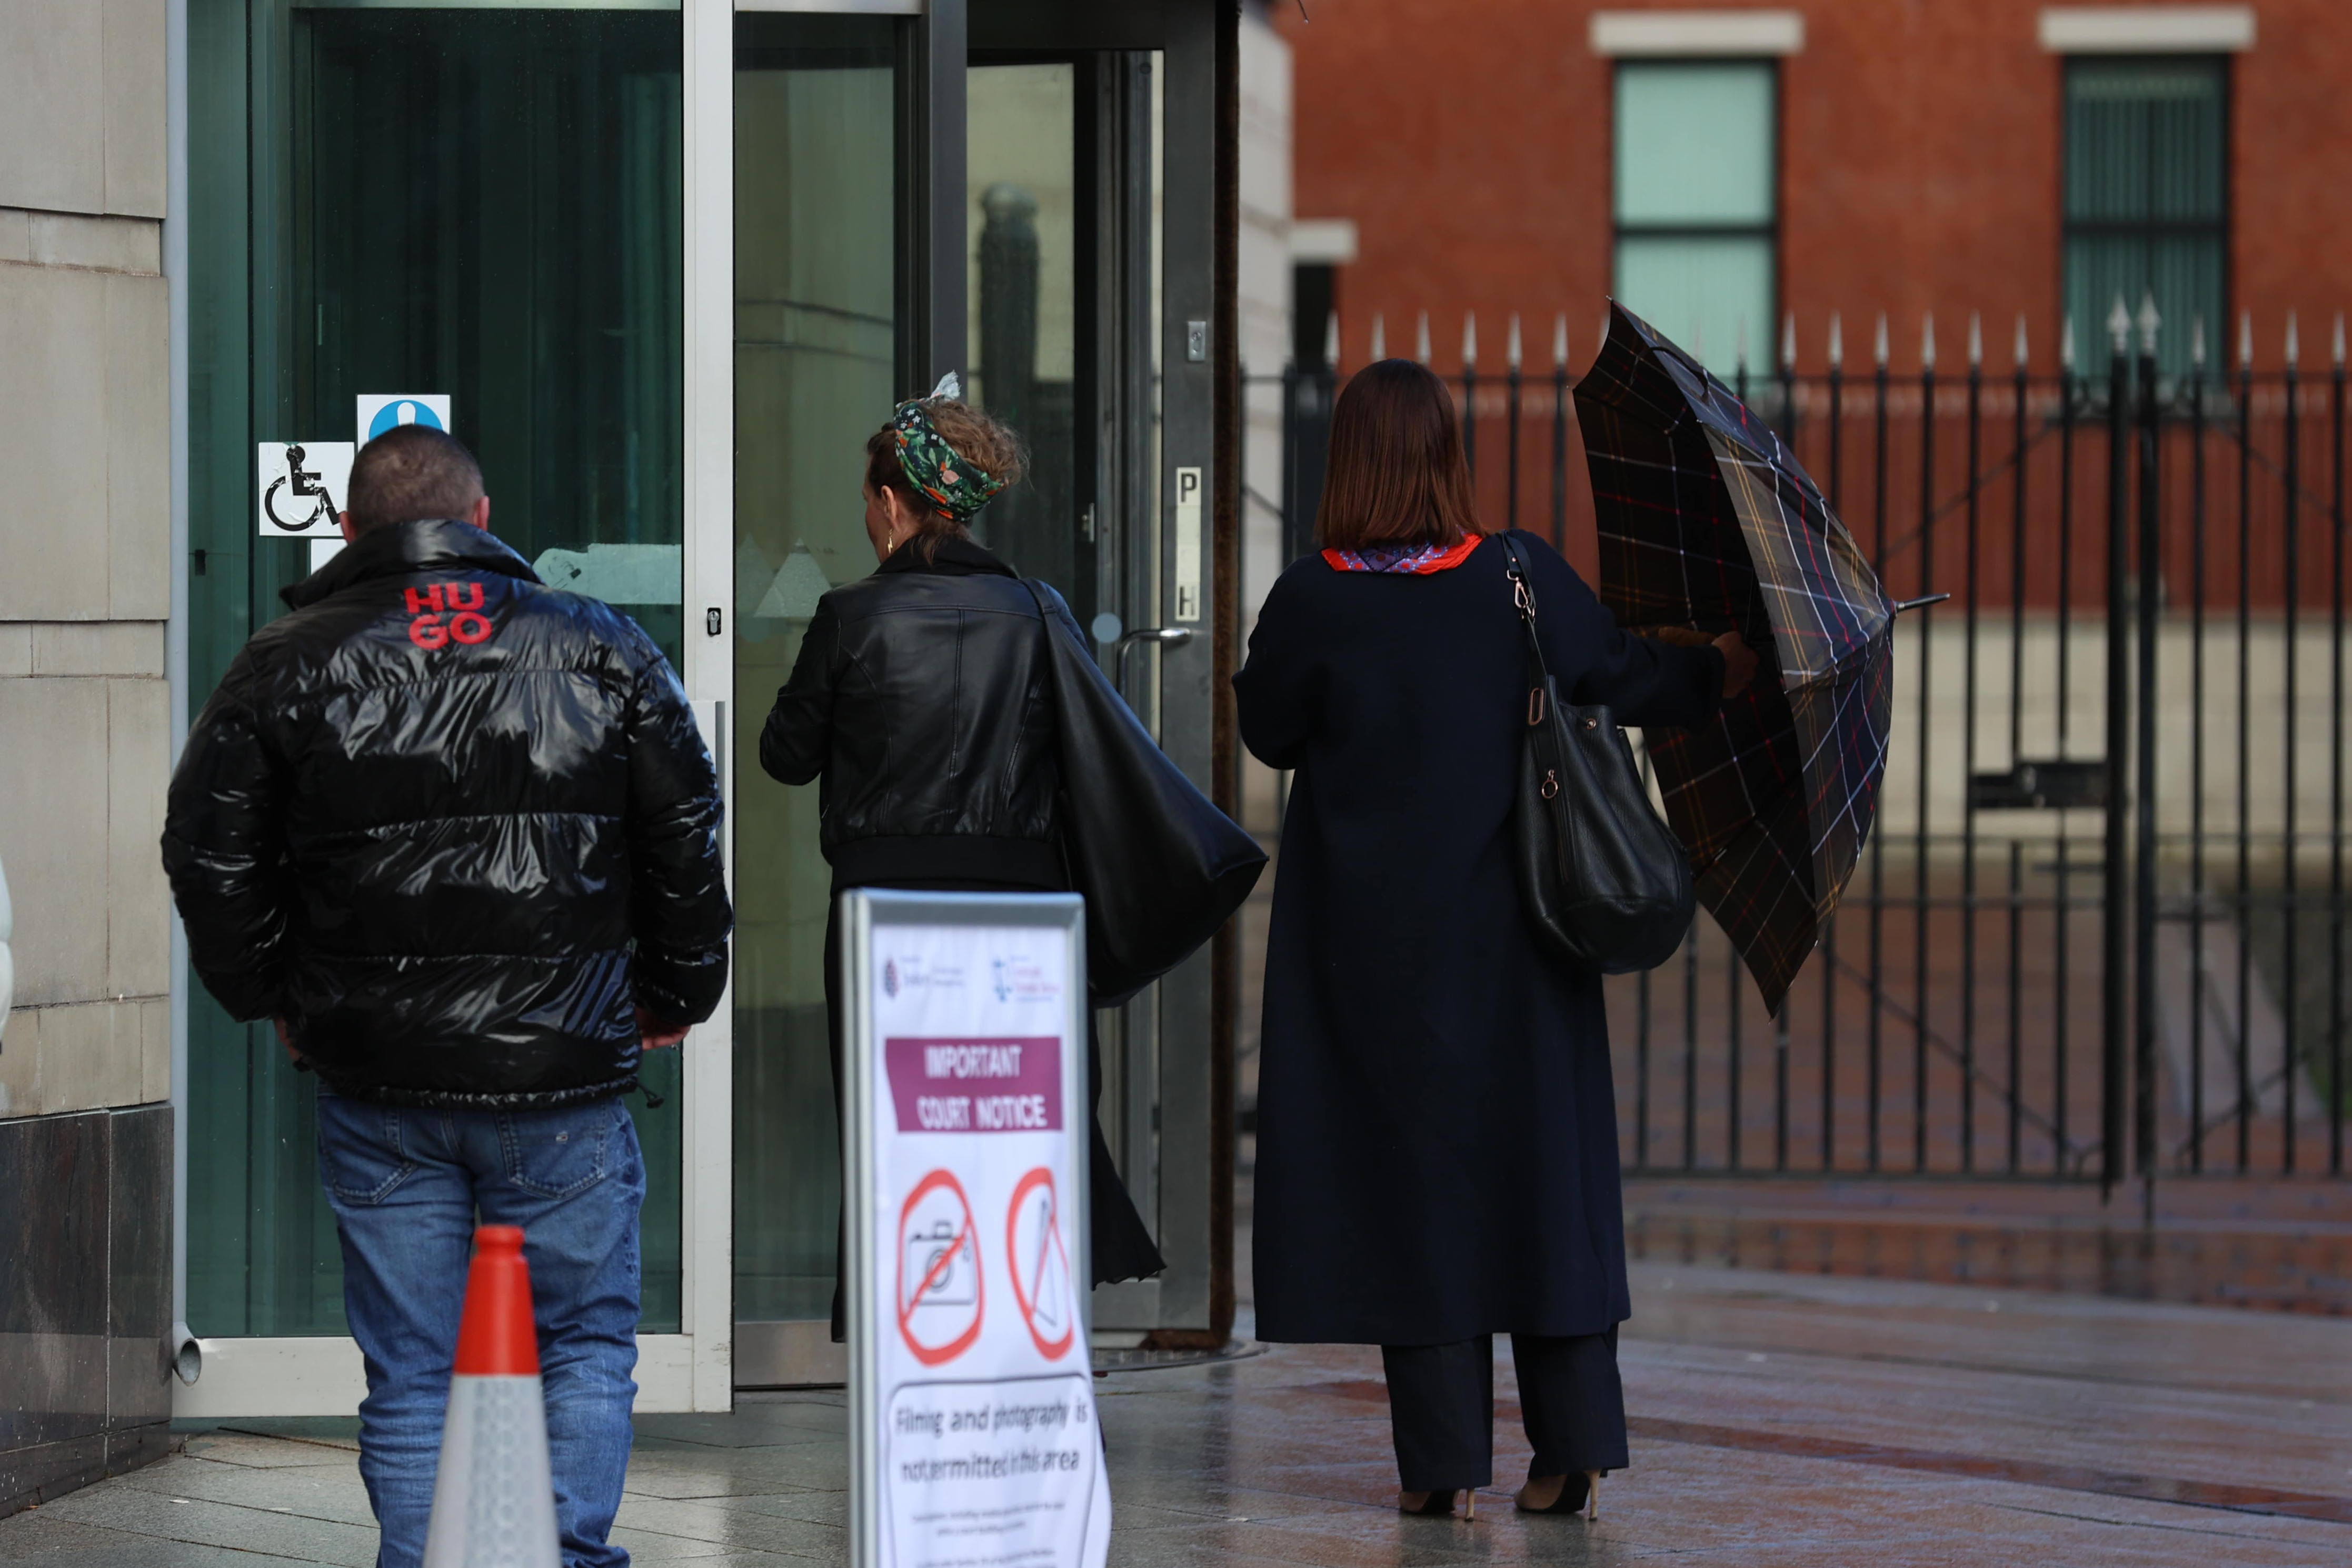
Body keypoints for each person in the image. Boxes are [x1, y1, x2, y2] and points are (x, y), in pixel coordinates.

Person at [163, 424, 731, 1568]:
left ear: (347, 528)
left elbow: (206, 851)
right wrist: (674, 990)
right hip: (564, 1072)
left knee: (415, 1365)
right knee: (578, 1342)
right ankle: (561, 1558)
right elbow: (683, 835)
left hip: (380, 1082)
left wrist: (281, 994)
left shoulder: (286, 659)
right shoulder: (603, 648)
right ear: (483, 519)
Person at [1234, 359, 1756, 1519]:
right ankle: (1571, 1451)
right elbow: (1623, 675)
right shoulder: (1516, 573)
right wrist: (1716, 665)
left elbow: (1266, 728)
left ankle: (1440, 1470)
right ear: (1443, 455)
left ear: (1347, 462)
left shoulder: (1312, 597)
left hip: (1371, 963)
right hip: (1523, 945)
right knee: (1541, 1183)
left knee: (1410, 1197)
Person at [759, 384, 1166, 1314]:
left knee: (898, 1131)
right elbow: (1089, 760)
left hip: (881, 909)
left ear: (895, 504)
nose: (864, 518)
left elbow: (783, 758)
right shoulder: (1038, 610)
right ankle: (1025, 1313)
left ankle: (920, 1320)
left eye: (868, 500)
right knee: (1019, 1125)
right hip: (1020, 906)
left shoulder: (849, 617)